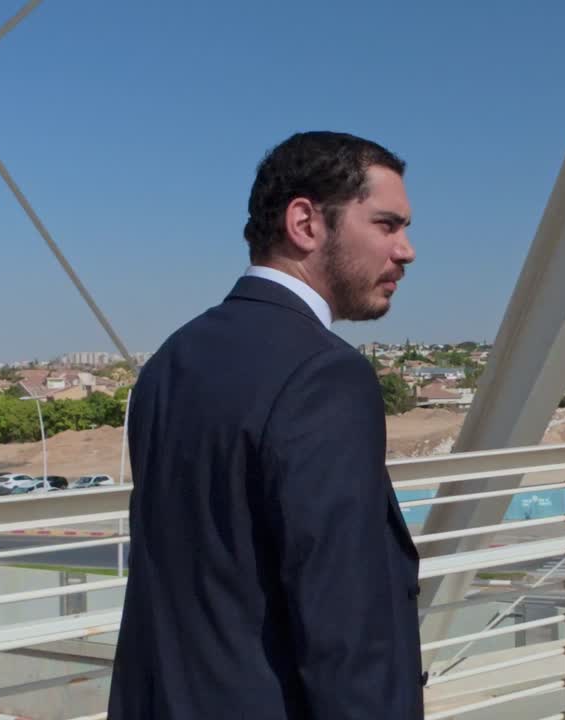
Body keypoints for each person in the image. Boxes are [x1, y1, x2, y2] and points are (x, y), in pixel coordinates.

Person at [107, 131, 422, 719]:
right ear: (305, 222)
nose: (405, 250)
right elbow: (345, 630)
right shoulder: (326, 374)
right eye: (386, 224)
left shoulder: (171, 361)